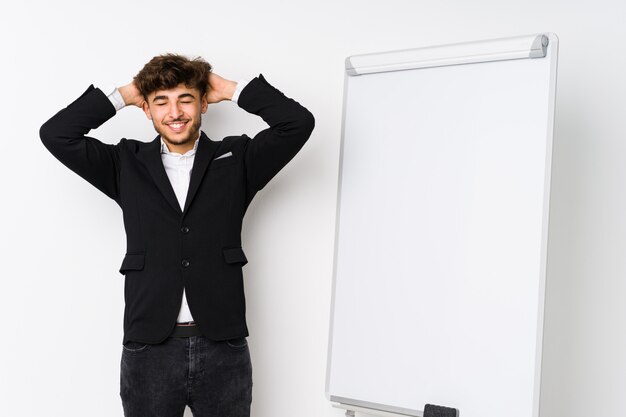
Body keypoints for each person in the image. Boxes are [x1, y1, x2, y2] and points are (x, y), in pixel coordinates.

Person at [39, 54, 315, 417]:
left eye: (185, 98)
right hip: (150, 347)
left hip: (222, 345)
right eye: (161, 101)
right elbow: (56, 133)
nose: (175, 112)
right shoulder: (125, 163)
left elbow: (297, 123)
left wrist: (231, 89)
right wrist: (127, 92)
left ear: (203, 102)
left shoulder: (237, 158)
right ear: (147, 110)